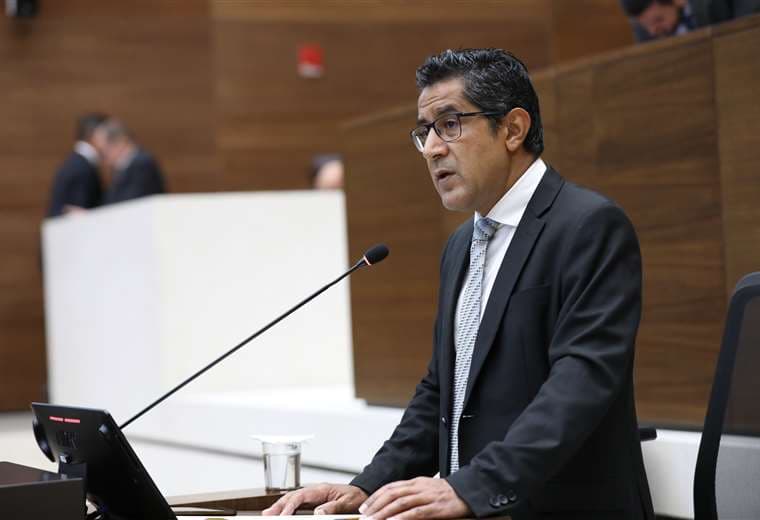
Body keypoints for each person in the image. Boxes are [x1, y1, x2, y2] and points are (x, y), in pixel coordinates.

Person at [264, 48, 654, 520]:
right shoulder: (461, 246)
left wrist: (473, 487)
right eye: (425, 131)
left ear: (513, 129)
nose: (432, 148)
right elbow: (441, 392)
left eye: (450, 125)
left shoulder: (588, 226)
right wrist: (366, 487)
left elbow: (580, 384)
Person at [45, 113, 107, 217]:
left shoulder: (77, 163)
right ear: (94, 134)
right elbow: (76, 212)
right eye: (107, 134)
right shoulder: (82, 168)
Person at [92, 119, 166, 205]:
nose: (103, 158)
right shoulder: (122, 167)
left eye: (103, 151)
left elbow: (130, 202)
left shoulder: (142, 164)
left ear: (119, 142)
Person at [620, 0, 760, 41]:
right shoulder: (645, 32)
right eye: (646, 26)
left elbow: (748, 30)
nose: (652, 31)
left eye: (658, 20)